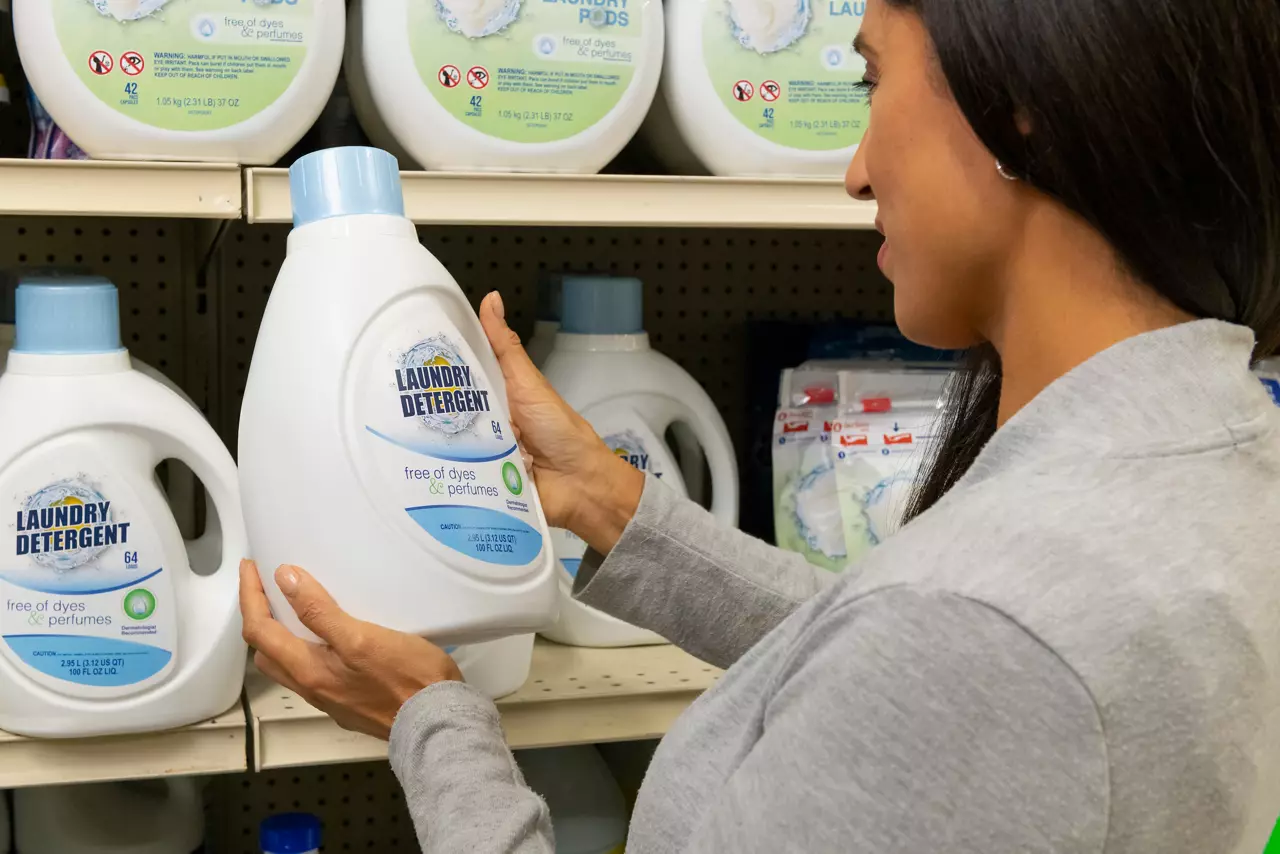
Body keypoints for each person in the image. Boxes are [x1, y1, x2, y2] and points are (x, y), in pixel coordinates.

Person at [238, 0, 1280, 849]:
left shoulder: (983, 632)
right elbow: (897, 662)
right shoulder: (1218, 458)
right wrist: (613, 506)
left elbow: (954, 645)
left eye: (871, 81)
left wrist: (432, 725)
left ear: (1018, 111)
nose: (854, 168)